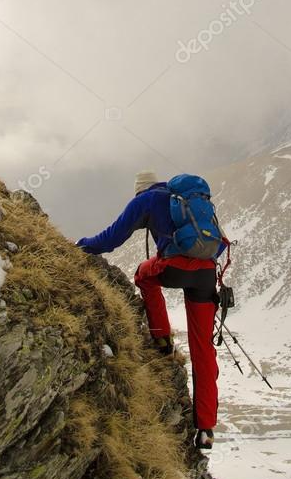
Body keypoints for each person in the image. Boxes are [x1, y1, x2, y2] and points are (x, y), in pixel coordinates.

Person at [76, 170, 220, 450]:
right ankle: (206, 428)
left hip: (172, 269)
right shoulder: (190, 201)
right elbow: (217, 243)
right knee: (203, 348)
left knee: (144, 276)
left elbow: (110, 239)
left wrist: (82, 246)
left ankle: (161, 337)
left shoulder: (145, 200)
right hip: (206, 274)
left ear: (139, 190)